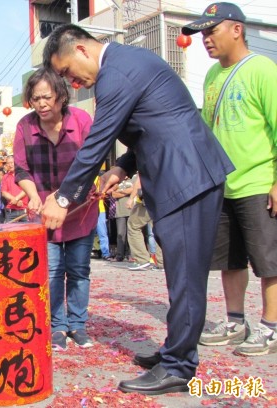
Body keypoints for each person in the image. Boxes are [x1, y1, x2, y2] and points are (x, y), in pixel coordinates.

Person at [40, 24, 233, 395]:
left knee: (186, 277)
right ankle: (174, 351)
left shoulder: (117, 73)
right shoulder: (124, 65)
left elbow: (97, 141)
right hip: (178, 175)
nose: (72, 83)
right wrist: (121, 167)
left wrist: (63, 199)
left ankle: (178, 367)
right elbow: (155, 126)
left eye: (67, 72)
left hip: (188, 177)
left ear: (81, 49)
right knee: (179, 273)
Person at [182, 3, 277, 356]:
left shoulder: (263, 70)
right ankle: (235, 320)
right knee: (227, 259)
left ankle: (271, 326)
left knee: (269, 260)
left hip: (258, 181)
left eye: (211, 31)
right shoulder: (211, 77)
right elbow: (206, 132)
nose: (205, 39)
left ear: (236, 29)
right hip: (223, 185)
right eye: (203, 33)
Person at [14, 68, 97, 351]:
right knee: (51, 271)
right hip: (43, 214)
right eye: (35, 98)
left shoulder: (82, 121)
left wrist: (63, 197)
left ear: (61, 96)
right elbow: (20, 169)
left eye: (47, 97)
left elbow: (91, 163)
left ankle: (78, 324)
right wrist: (33, 195)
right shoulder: (25, 126)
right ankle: (57, 326)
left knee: (78, 270)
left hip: (79, 208)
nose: (42, 104)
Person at [1, 155, 29, 223]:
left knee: (25, 232)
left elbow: (27, 189)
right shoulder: (5, 177)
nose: (10, 165)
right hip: (11, 210)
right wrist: (15, 201)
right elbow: (4, 193)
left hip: (24, 210)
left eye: (11, 162)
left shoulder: (23, 174)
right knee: (10, 232)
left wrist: (16, 199)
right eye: (8, 163)